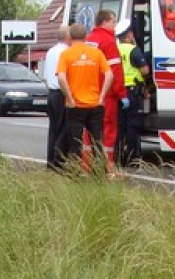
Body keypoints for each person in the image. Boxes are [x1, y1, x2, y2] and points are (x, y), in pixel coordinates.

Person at [57, 23, 113, 176]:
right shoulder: (96, 53)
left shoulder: (66, 55)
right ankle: (100, 173)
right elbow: (109, 74)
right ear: (86, 36)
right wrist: (102, 96)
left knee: (75, 142)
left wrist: (69, 97)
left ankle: (76, 174)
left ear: (70, 37)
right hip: (95, 104)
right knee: (97, 141)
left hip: (75, 105)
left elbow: (61, 77)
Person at [85, 10, 126, 173]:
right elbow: (115, 70)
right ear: (104, 22)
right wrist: (121, 93)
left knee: (88, 130)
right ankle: (108, 167)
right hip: (107, 93)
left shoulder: (89, 40)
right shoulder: (108, 41)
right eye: (113, 21)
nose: (115, 25)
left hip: (90, 92)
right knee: (108, 129)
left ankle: (86, 166)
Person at [116, 23, 149, 167]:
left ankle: (117, 156)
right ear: (128, 35)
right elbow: (145, 71)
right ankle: (133, 157)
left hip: (118, 91)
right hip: (132, 92)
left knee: (120, 125)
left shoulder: (116, 49)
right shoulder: (133, 50)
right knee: (133, 125)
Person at [42, 25, 72, 172]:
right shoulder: (66, 52)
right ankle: (59, 161)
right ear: (68, 37)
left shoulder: (50, 51)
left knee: (53, 129)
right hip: (62, 92)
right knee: (63, 129)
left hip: (52, 93)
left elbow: (46, 74)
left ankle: (51, 161)